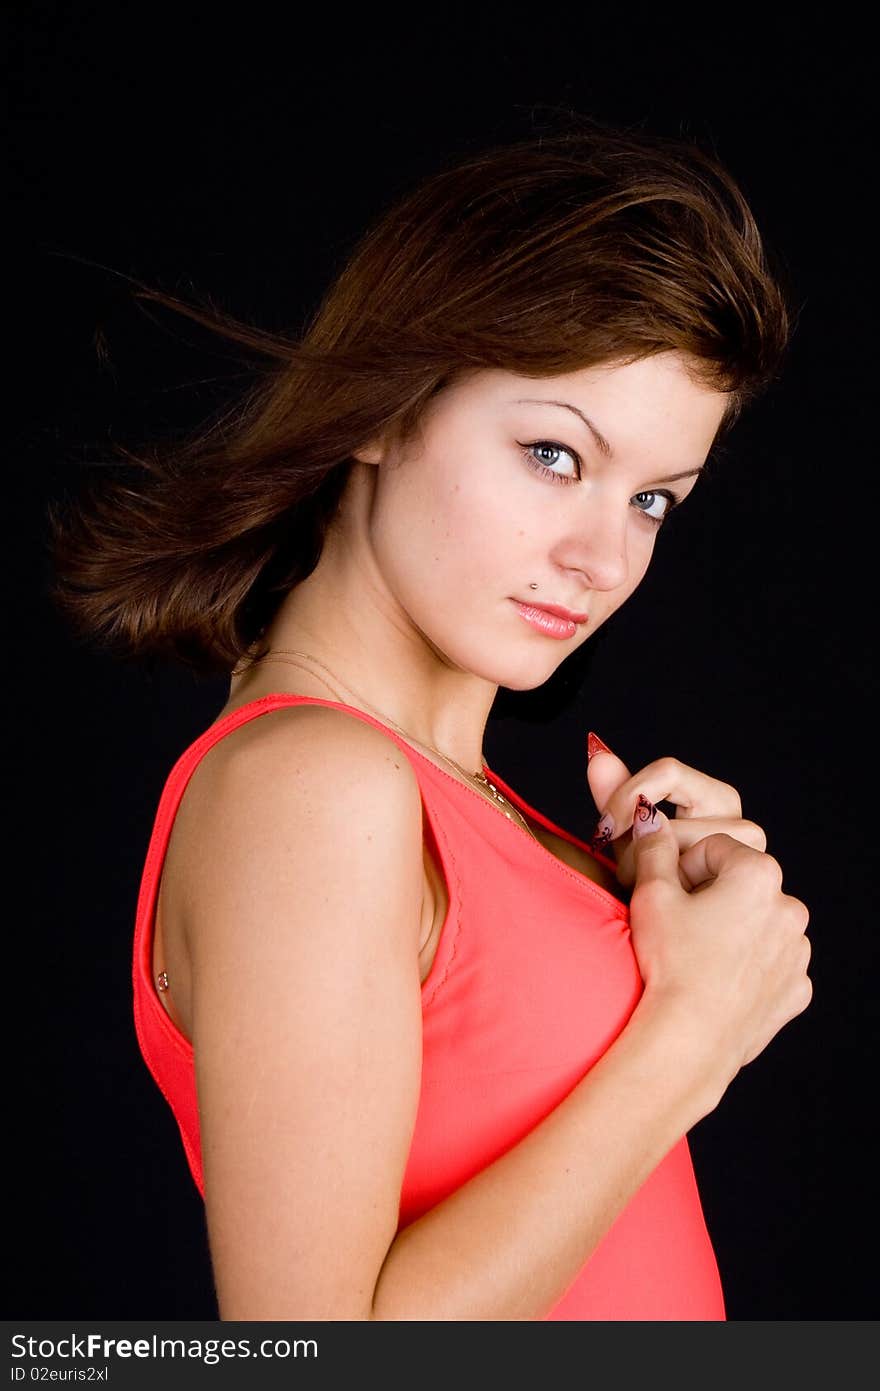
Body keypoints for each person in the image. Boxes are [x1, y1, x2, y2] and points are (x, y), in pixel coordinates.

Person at [47, 115, 812, 1321]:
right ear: (382, 409)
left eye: (655, 498)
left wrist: (634, 900)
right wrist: (694, 1031)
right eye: (555, 456)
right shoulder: (311, 786)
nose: (602, 555)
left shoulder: (461, 801)